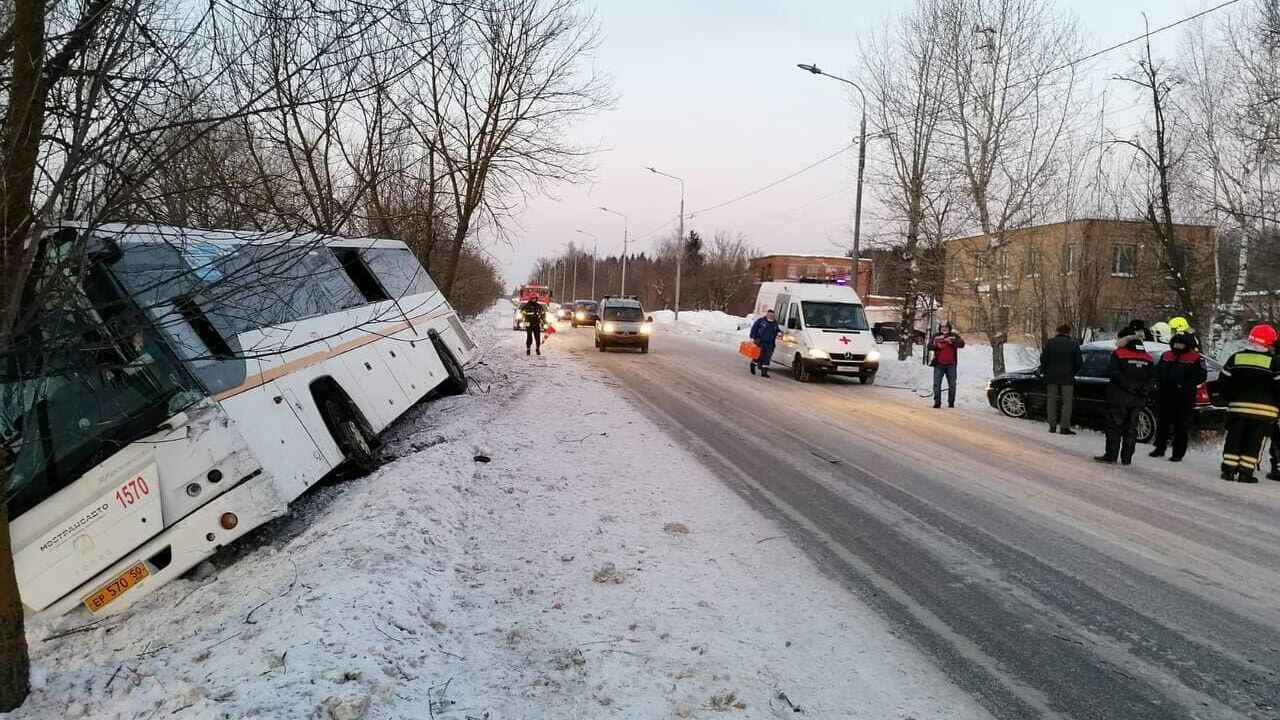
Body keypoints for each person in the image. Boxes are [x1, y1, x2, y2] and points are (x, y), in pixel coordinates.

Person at [1218, 324, 1280, 483]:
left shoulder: (1236, 357)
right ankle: (1246, 473)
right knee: (1255, 442)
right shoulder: (1274, 363)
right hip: (1264, 413)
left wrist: (1230, 399)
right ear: (1271, 343)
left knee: (1234, 438)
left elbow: (1223, 382)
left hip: (1237, 409)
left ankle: (1229, 471)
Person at [1095, 335, 1155, 465]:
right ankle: (1127, 458)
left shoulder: (1118, 354)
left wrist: (1128, 387)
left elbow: (1114, 373)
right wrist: (1143, 390)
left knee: (1114, 428)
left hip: (1119, 398)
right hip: (1138, 400)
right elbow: (1152, 378)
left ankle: (1111, 455)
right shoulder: (1148, 358)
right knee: (1131, 429)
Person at [1149, 333, 1208, 462]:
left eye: (1181, 343)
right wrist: (1157, 384)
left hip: (1184, 398)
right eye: (1176, 343)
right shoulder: (1166, 355)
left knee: (1181, 427)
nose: (1178, 345)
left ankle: (1178, 453)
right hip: (1165, 396)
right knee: (1162, 425)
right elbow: (1157, 371)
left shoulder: (1195, 358)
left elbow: (1201, 376)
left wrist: (1184, 385)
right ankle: (1159, 448)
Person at [1040, 324, 1083, 434]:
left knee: (1051, 401)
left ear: (1058, 331)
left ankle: (1052, 426)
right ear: (1069, 332)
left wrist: (1046, 371)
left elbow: (1043, 359)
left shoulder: (1050, 343)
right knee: (1067, 403)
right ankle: (1064, 427)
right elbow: (1079, 363)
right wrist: (1072, 372)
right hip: (1067, 377)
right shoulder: (1073, 344)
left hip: (1051, 376)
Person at [928, 323, 965, 408]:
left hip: (951, 364)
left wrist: (952, 342)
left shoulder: (954, 336)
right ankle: (937, 402)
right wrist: (937, 346)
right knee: (936, 384)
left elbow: (962, 344)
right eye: (942, 328)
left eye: (946, 327)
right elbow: (929, 346)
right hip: (938, 364)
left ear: (949, 328)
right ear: (940, 328)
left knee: (952, 384)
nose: (944, 329)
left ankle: (951, 402)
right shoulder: (936, 336)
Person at [749, 309, 781, 377]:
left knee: (767, 358)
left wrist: (779, 332)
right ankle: (753, 365)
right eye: (770, 315)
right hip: (760, 342)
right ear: (767, 314)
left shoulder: (775, 323)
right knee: (759, 356)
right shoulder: (761, 321)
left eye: (772, 315)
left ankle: (764, 373)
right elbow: (754, 328)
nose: (771, 317)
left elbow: (777, 330)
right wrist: (753, 336)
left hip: (770, 344)